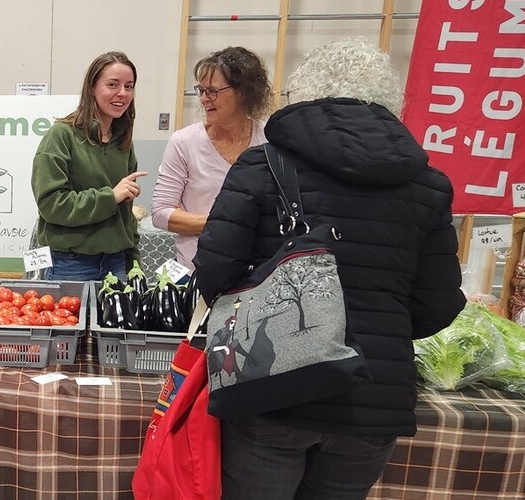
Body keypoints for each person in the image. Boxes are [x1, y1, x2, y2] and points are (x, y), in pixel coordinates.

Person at [193, 37, 466, 499]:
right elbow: (437, 305)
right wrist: (373, 325)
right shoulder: (429, 184)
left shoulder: (262, 166)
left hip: (271, 387)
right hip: (373, 396)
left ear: (305, 91)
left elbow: (214, 274)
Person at [151, 46, 273, 270]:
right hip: (198, 271)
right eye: (202, 90)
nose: (204, 99)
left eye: (213, 91)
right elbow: (160, 213)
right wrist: (223, 225)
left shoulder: (269, 140)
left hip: (257, 273)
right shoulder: (184, 142)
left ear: (244, 92)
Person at [31, 51, 147, 281]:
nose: (122, 93)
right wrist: (109, 197)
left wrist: (134, 262)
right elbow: (51, 204)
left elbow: (126, 215)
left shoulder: (123, 141)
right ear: (92, 88)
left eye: (129, 86)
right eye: (112, 84)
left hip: (116, 263)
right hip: (70, 264)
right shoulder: (61, 135)